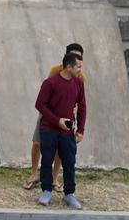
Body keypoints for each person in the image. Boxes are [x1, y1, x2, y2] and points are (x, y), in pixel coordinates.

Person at [23, 44, 86, 191]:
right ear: (67, 59)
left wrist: (79, 127)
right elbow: (46, 97)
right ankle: (34, 174)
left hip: (66, 120)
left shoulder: (80, 77)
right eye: (75, 56)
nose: (79, 62)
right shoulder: (55, 72)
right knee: (38, 143)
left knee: (61, 150)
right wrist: (55, 118)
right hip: (49, 116)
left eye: (80, 57)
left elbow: (80, 100)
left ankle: (55, 178)